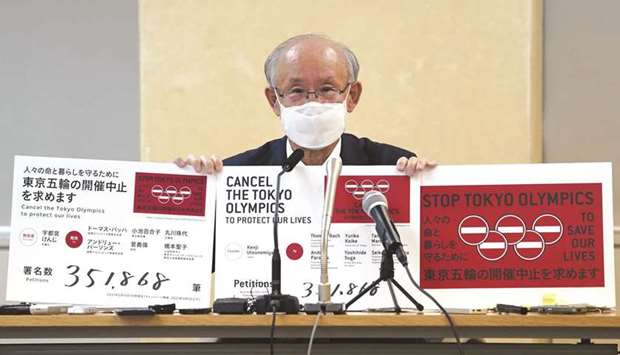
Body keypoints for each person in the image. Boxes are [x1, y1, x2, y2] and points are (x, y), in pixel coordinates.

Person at [175, 34, 436, 174]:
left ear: (352, 95)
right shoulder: (238, 174)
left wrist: (426, 189)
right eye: (296, 91)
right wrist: (197, 191)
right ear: (274, 100)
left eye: (327, 89)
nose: (314, 102)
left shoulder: (391, 166)